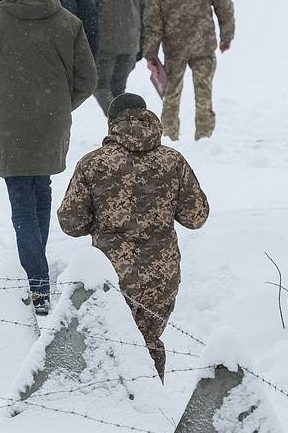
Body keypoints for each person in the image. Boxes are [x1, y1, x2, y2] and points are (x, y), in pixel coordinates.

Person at [0, 0, 96, 315]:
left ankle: (37, 284)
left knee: (21, 199)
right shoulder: (69, 22)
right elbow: (87, 80)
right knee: (41, 189)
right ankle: (39, 277)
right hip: (52, 122)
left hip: (9, 123)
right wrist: (59, 106)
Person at [57, 93, 210, 379]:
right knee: (150, 342)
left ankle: (113, 407)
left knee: (111, 345)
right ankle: (152, 411)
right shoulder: (173, 161)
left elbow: (70, 222)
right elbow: (196, 217)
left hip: (111, 273)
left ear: (112, 123)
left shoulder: (93, 163)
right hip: (161, 273)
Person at [142, 0, 235, 140]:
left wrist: (150, 53)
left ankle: (168, 137)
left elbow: (152, 21)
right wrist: (226, 36)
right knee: (204, 94)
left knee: (171, 96)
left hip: (174, 48)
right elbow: (225, 8)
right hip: (204, 45)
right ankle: (204, 137)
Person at [85, 0, 147, 115]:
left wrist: (88, 45)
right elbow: (145, 13)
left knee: (101, 86)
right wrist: (141, 45)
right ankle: (126, 125)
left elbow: (88, 14)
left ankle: (118, 121)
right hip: (130, 44)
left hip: (105, 45)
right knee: (119, 88)